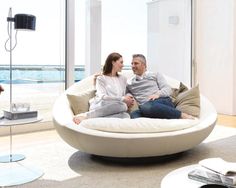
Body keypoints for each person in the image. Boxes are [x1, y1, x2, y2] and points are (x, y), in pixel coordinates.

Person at [126, 54, 193, 119]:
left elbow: (167, 89)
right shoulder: (130, 82)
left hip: (161, 101)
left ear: (144, 65)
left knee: (146, 106)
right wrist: (129, 96)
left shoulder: (155, 75)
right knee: (134, 114)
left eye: (136, 63)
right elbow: (126, 93)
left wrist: (158, 94)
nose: (133, 66)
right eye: (132, 64)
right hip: (144, 107)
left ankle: (181, 115)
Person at [73, 52, 134, 125]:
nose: (123, 65)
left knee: (126, 116)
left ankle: (92, 121)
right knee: (122, 106)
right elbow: (102, 96)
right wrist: (122, 99)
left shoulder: (123, 78)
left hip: (116, 108)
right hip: (101, 106)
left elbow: (126, 92)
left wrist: (129, 97)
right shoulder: (101, 78)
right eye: (121, 62)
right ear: (113, 62)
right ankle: (86, 116)